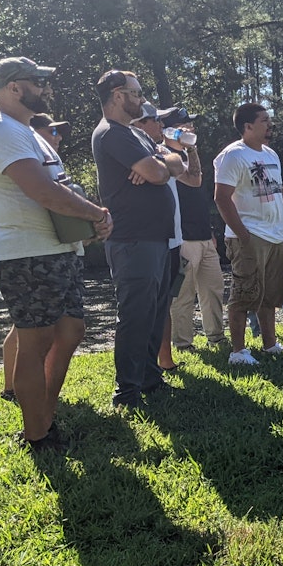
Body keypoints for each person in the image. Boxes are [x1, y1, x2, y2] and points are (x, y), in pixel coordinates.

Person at [0, 57, 112, 449]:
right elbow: (43, 191)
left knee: (71, 331)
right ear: (13, 88)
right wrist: (97, 213)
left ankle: (46, 413)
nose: (45, 88)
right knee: (35, 341)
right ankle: (37, 435)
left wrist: (91, 224)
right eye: (37, 81)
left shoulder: (27, 132)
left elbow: (61, 188)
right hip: (26, 254)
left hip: (58, 251)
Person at [92, 69, 182, 409]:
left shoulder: (136, 135)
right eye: (136, 92)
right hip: (132, 240)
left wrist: (159, 161)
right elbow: (160, 171)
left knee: (156, 313)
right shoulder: (111, 134)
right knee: (135, 315)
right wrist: (159, 166)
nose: (142, 98)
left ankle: (149, 379)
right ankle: (126, 393)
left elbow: (176, 162)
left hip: (157, 239)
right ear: (117, 95)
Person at [214, 102, 283, 365]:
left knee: (270, 294)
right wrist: (243, 235)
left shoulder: (270, 154)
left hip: (277, 234)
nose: (269, 124)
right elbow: (221, 198)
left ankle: (270, 344)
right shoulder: (233, 155)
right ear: (247, 126)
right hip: (250, 236)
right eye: (264, 120)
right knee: (244, 294)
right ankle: (238, 352)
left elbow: (276, 187)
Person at [0, 113, 77, 403]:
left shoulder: (49, 159)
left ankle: (24, 391)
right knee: (27, 332)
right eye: (52, 131)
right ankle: (13, 390)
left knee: (25, 329)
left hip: (52, 251)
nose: (57, 137)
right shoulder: (16, 147)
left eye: (59, 132)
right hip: (25, 252)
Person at [132, 103, 196, 372]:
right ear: (138, 124)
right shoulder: (131, 152)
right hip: (145, 242)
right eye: (154, 120)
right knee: (142, 308)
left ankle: (165, 360)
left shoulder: (160, 150)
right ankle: (140, 369)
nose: (160, 125)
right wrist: (163, 162)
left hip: (173, 240)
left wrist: (169, 156)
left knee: (165, 302)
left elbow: (186, 173)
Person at [162, 106, 228, 352]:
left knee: (213, 289)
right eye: (184, 125)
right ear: (168, 130)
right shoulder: (165, 155)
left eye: (190, 125)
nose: (190, 129)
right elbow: (194, 179)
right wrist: (190, 147)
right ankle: (183, 343)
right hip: (183, 238)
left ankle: (216, 337)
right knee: (184, 295)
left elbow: (197, 194)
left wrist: (209, 230)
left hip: (203, 235)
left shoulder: (189, 155)